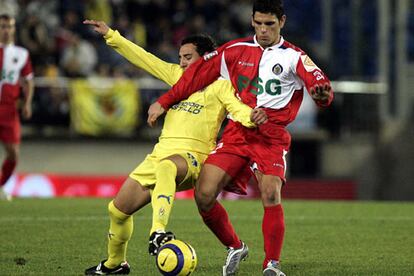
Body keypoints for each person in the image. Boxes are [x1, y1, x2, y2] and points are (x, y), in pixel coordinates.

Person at [147, 0, 334, 275]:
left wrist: (322, 95)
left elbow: (321, 87)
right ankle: (235, 246)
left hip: (270, 136)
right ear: (252, 21)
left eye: (269, 24)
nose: (263, 30)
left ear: (281, 22)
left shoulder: (295, 57)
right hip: (237, 132)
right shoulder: (234, 51)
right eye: (258, 23)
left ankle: (271, 264)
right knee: (204, 195)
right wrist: (164, 101)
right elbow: (195, 77)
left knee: (270, 193)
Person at [82, 19, 267, 275]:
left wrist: (252, 116)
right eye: (180, 57)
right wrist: (111, 36)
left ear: (206, 59)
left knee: (168, 167)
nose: (181, 63)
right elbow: (144, 58)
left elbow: (239, 110)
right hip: (159, 154)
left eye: (187, 57)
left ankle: (158, 231)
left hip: (194, 157)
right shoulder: (177, 77)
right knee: (118, 210)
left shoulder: (221, 86)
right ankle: (116, 264)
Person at [0, 14, 34, 201]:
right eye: (3, 26)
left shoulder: (21, 54)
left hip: (9, 110)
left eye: (9, 26)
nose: (6, 30)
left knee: (13, 153)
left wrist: (27, 103)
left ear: (14, 29)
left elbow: (28, 81)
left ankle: (1, 185)